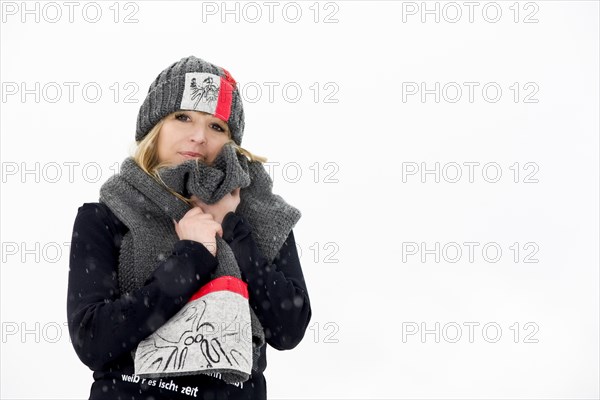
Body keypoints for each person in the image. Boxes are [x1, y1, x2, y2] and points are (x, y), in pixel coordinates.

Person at [67, 55, 312, 400]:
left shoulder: (261, 218)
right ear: (155, 127)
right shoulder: (106, 216)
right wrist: (193, 255)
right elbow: (93, 341)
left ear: (230, 142)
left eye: (216, 126)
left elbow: (288, 330)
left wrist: (230, 227)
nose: (198, 136)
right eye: (183, 117)